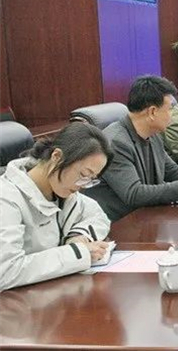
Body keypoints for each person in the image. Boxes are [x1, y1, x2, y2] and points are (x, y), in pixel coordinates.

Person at [85, 75, 178, 221]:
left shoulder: (153, 134)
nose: (172, 114)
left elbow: (170, 170)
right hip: (120, 225)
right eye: (170, 109)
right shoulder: (116, 143)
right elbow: (134, 193)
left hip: (146, 217)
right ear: (152, 112)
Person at [0, 123, 114, 290]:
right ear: (57, 156)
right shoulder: (6, 198)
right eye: (84, 174)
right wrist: (78, 253)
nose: (82, 186)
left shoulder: (61, 190)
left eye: (91, 179)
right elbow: (6, 271)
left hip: (52, 292)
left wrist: (78, 236)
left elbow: (98, 216)